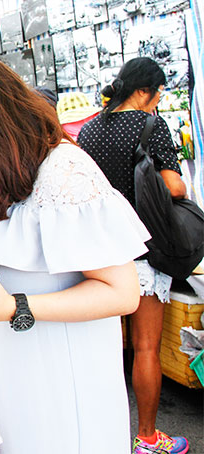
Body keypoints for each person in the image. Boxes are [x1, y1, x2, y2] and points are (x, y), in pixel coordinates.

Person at [0, 51, 149, 454]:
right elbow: (27, 286)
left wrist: (13, 308)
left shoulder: (64, 171)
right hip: (25, 383)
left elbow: (122, 293)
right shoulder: (16, 173)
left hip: (65, 391)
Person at [77, 57, 188, 454]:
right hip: (143, 250)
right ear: (144, 92)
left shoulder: (89, 130)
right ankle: (147, 437)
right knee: (145, 348)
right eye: (158, 95)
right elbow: (175, 186)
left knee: (103, 348)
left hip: (99, 254)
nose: (158, 103)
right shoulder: (151, 126)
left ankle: (100, 436)